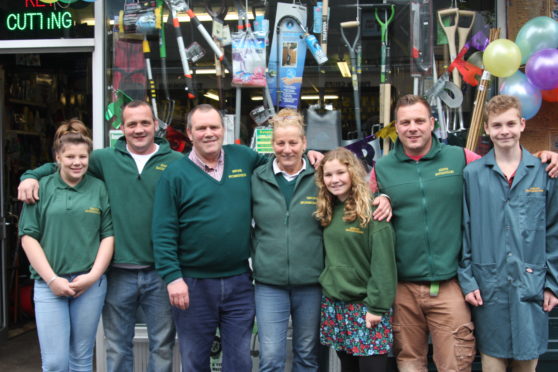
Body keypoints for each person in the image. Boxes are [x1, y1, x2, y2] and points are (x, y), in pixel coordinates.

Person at [370, 94, 558, 372]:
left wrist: (547, 156)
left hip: (450, 284)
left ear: (432, 123)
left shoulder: (462, 160)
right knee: (409, 361)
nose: (413, 127)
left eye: (420, 120)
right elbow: (358, 202)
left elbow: (506, 166)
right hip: (405, 286)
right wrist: (380, 195)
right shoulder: (382, 168)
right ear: (396, 127)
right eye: (405, 122)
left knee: (457, 363)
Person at [152, 104, 325, 372]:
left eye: (214, 127)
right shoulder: (175, 174)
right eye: (201, 128)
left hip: (239, 282)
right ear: (189, 133)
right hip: (193, 284)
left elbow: (283, 160)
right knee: (195, 360)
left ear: (224, 130)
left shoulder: (243, 157)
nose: (209, 133)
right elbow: (163, 231)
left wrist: (313, 153)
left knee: (240, 362)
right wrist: (173, 278)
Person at [17, 100, 182, 372]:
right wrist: (30, 176)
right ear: (122, 128)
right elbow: (67, 160)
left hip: (160, 272)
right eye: (132, 124)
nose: (139, 129)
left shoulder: (176, 162)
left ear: (156, 125)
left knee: (162, 346)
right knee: (117, 347)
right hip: (118, 273)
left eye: (144, 123)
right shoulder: (104, 159)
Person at [458, 95, 558, 371]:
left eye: (510, 123)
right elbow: (464, 230)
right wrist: (467, 280)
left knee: (527, 361)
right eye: (497, 125)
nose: (504, 131)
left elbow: (554, 230)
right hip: (490, 286)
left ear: (522, 124)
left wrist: (552, 283)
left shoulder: (543, 171)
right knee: (492, 362)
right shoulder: (473, 174)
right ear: (487, 129)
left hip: (531, 286)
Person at [19, 119, 114, 371]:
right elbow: (28, 237)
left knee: (81, 358)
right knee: (55, 362)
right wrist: (51, 279)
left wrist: (93, 276)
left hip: (89, 286)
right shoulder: (41, 188)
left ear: (89, 158)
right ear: (57, 159)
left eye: (82, 156)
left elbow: (108, 235)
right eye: (70, 156)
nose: (76, 162)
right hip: (49, 285)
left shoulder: (99, 188)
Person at [251, 108, 323, 372]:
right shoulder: (257, 178)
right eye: (280, 143)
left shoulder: (321, 177)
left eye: (293, 142)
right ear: (272, 145)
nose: (287, 149)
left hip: (311, 283)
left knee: (306, 354)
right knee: (270, 357)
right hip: (270, 283)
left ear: (304, 143)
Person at [314, 147, 397, 372]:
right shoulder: (328, 210)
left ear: (353, 173)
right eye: (328, 175)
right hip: (336, 305)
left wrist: (378, 307)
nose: (335, 180)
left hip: (366, 306)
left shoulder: (373, 210)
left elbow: (384, 263)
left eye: (341, 172)